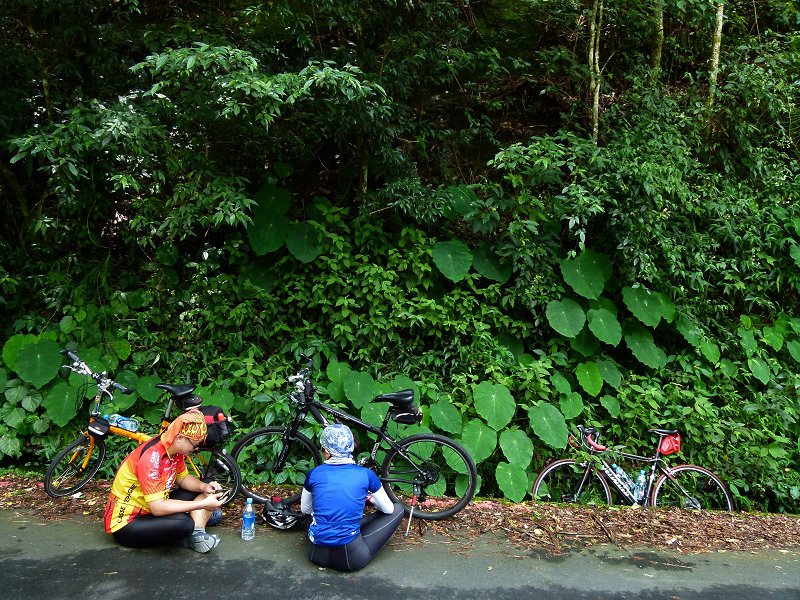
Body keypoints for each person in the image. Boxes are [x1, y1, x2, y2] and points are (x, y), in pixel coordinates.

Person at [103, 410, 225, 552]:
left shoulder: (174, 450)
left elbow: (184, 479)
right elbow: (158, 507)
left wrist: (205, 487)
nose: (196, 449)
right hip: (127, 524)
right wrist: (202, 504)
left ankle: (197, 532)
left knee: (207, 484)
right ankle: (191, 531)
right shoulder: (151, 458)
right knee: (184, 524)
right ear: (180, 438)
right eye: (194, 445)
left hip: (150, 508)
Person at [300, 423, 404, 571]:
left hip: (316, 555)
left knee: (311, 517)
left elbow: (305, 509)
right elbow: (388, 510)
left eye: (323, 449)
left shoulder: (314, 473)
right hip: (350, 559)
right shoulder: (366, 474)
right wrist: (372, 500)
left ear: (327, 452)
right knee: (398, 509)